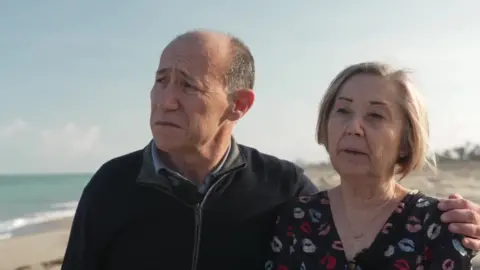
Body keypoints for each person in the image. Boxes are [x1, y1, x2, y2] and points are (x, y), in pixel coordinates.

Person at [61, 31, 480, 270]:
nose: (166, 99)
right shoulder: (110, 186)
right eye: (160, 80)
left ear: (238, 105)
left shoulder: (285, 192)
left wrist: (467, 223)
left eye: (188, 85)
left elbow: (362, 204)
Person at [266, 62, 476, 269]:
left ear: (406, 141)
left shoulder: (438, 225)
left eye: (375, 115)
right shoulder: (296, 218)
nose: (353, 128)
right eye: (343, 111)